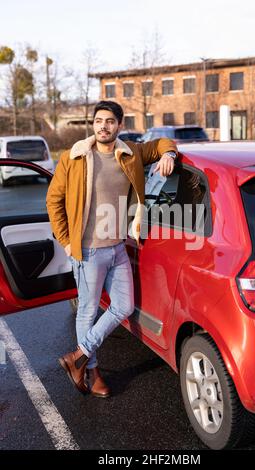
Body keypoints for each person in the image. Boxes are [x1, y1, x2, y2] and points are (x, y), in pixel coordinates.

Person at [46, 100, 178, 398]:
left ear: (119, 125)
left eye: (109, 121)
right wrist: (66, 241)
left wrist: (168, 154)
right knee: (88, 312)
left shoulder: (130, 153)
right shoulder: (74, 157)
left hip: (117, 248)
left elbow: (163, 143)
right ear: (92, 124)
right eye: (98, 121)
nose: (103, 126)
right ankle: (92, 372)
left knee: (123, 306)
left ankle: (77, 356)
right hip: (88, 251)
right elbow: (53, 201)